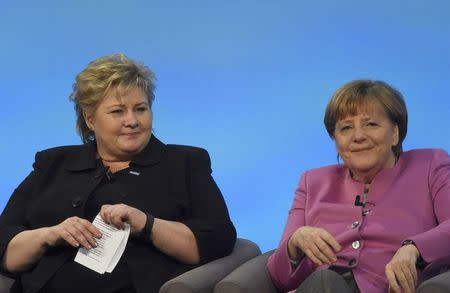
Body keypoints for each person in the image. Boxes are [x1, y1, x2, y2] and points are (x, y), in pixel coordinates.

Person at [0, 53, 236, 293]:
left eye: (141, 109)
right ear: (90, 119)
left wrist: (148, 225)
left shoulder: (184, 163)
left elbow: (217, 240)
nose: (132, 121)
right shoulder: (51, 163)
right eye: (117, 111)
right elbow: (4, 244)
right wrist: (50, 234)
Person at [267, 80, 450, 293]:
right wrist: (294, 244)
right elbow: (278, 277)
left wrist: (413, 248)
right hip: (319, 286)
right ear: (336, 140)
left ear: (394, 133)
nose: (358, 136)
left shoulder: (430, 165)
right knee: (324, 281)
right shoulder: (312, 181)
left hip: (387, 288)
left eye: (371, 124)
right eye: (346, 128)